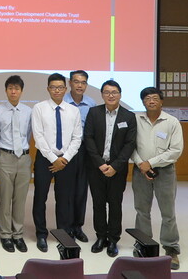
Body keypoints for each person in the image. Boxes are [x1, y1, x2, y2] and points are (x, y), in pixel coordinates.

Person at [131, 87, 184, 270]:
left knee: (168, 213)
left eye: (155, 98)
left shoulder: (172, 122)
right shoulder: (136, 120)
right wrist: (141, 164)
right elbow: (130, 145)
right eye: (147, 98)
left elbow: (176, 150)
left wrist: (151, 163)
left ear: (161, 101)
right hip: (140, 172)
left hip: (166, 172)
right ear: (143, 102)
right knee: (141, 210)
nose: (151, 101)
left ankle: (171, 249)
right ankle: (145, 245)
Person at [84, 80, 136, 257]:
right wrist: (100, 163)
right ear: (102, 95)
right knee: (98, 204)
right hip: (96, 167)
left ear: (120, 94)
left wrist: (115, 166)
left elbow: (129, 144)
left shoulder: (129, 117)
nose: (111, 95)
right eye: (107, 92)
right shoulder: (94, 113)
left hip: (117, 169)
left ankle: (113, 239)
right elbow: (88, 139)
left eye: (114, 92)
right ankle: (101, 237)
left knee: (115, 205)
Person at [31, 73, 83, 253]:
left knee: (64, 198)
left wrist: (65, 158)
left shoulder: (73, 110)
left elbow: (77, 138)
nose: (57, 90)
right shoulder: (39, 108)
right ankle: (41, 234)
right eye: (53, 87)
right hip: (45, 158)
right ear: (48, 89)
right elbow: (38, 136)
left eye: (60, 87)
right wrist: (54, 159)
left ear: (65, 89)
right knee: (40, 197)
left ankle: (63, 233)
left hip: (66, 160)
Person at [0, 75, 32, 253]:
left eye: (17, 88)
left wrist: (21, 152)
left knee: (20, 199)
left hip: (23, 158)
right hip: (5, 157)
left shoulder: (28, 111)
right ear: (6, 90)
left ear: (22, 91)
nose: (13, 91)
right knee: (6, 198)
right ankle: (6, 234)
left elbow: (28, 135)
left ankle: (18, 234)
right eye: (10, 88)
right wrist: (2, 156)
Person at [64, 69, 96, 243]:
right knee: (67, 189)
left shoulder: (91, 104)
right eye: (76, 81)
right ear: (70, 83)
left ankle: (78, 226)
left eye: (83, 82)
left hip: (84, 150)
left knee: (81, 190)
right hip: (66, 150)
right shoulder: (63, 102)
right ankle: (67, 226)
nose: (79, 85)